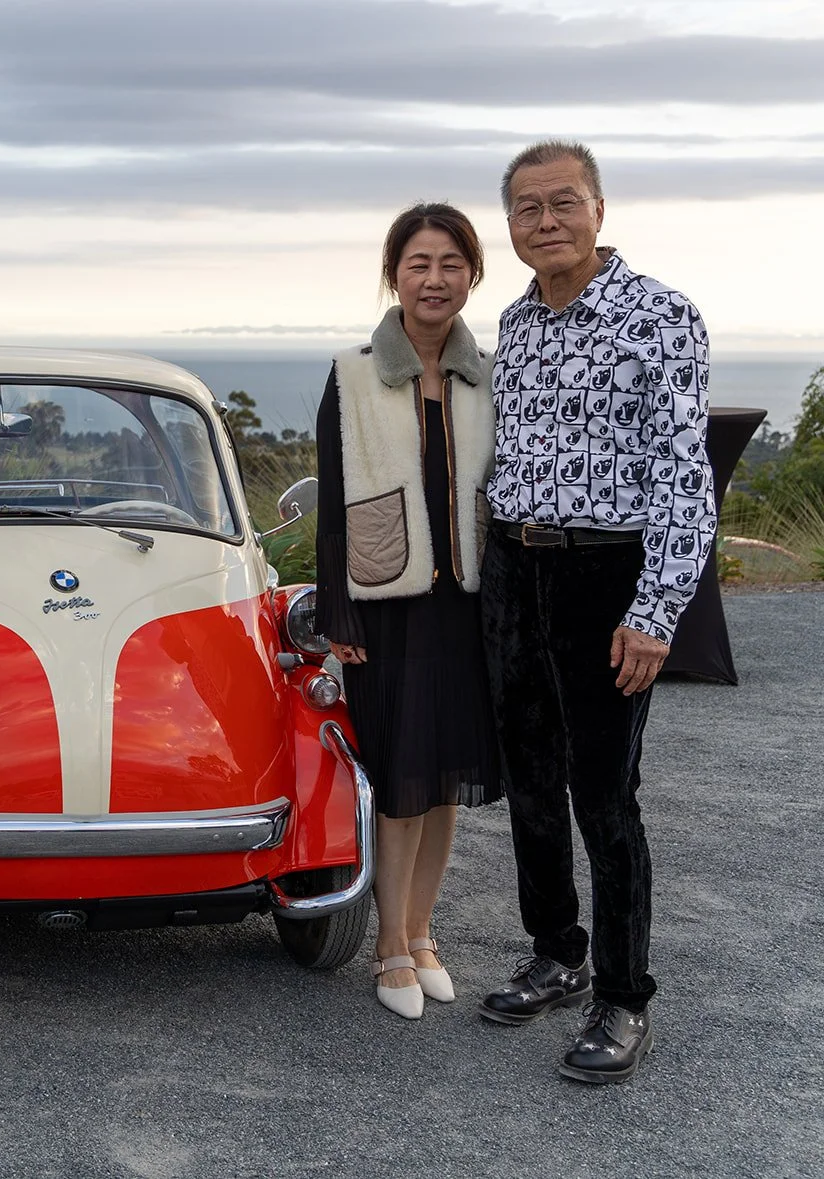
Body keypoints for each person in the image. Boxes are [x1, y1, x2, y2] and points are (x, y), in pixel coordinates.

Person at [478, 140, 714, 1084]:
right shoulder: (515, 322)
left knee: (604, 797)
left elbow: (682, 478)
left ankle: (622, 996)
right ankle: (557, 951)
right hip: (513, 568)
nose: (545, 221)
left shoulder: (663, 318)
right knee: (530, 780)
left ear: (600, 209)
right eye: (527, 208)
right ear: (512, 226)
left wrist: (654, 610)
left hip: (606, 578)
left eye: (562, 203)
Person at [315, 203, 503, 1020]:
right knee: (398, 780)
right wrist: (337, 613)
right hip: (386, 609)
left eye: (451, 263)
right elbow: (331, 504)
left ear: (472, 275)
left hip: (465, 607)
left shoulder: (484, 375)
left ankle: (424, 932)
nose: (436, 278)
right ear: (394, 273)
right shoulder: (351, 374)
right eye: (420, 263)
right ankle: (389, 943)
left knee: (444, 782)